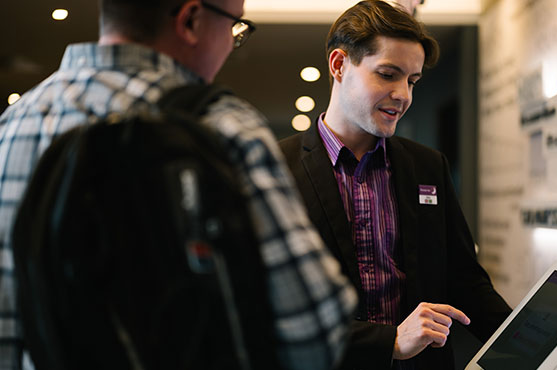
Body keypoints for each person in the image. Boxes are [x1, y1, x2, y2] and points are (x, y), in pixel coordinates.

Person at [0, 0, 357, 369]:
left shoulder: (14, 123)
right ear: (190, 20)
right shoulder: (220, 126)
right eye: (235, 28)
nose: (231, 46)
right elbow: (316, 330)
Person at [279, 1, 512, 369]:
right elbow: (266, 307)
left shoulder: (427, 166)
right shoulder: (277, 171)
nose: (403, 95)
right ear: (340, 65)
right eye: (388, 74)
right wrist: (388, 341)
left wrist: (533, 351)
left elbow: (466, 282)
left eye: (412, 81)